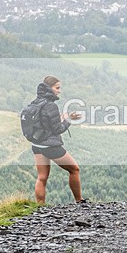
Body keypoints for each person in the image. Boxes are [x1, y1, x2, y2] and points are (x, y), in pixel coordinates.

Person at [29, 76, 87, 205]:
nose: (59, 91)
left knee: (42, 177)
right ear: (50, 88)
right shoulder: (51, 105)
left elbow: (44, 123)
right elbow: (57, 129)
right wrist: (69, 120)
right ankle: (79, 200)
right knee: (74, 169)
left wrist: (62, 118)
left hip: (37, 144)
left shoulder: (36, 102)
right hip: (51, 146)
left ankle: (40, 207)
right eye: (57, 88)